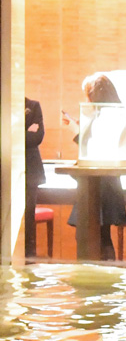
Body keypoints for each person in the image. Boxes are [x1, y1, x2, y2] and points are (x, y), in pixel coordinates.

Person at [65, 74, 126, 260]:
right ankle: (104, 280)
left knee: (95, 236)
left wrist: (77, 132)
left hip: (101, 182)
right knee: (100, 235)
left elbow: (97, 149)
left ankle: (100, 281)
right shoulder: (109, 113)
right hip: (103, 180)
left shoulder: (109, 114)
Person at [24, 98, 46, 258]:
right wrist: (25, 129)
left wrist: (16, 133)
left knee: (28, 212)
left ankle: (29, 255)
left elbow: (37, 137)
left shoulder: (32, 106)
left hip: (31, 171)